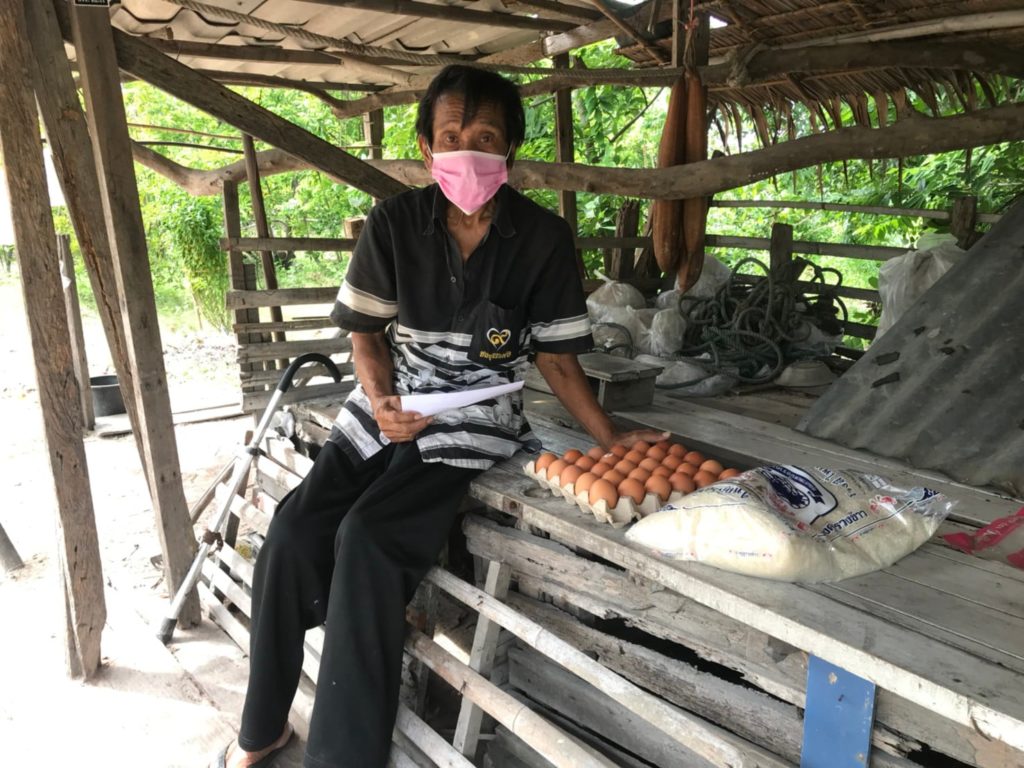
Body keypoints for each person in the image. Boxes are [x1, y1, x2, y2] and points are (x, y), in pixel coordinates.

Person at [216, 64, 666, 768]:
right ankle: (262, 727)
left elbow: (555, 359)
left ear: (510, 148)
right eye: (451, 136)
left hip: (477, 412)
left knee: (369, 537)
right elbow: (366, 335)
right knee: (294, 531)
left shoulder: (543, 237)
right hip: (393, 398)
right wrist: (382, 399)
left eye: (485, 137)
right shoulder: (395, 224)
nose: (467, 152)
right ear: (427, 148)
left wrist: (610, 437)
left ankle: (342, 759)